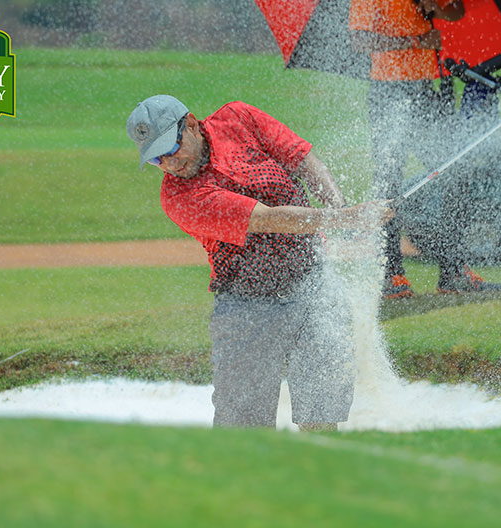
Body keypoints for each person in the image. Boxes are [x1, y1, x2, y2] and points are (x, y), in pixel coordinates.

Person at [126, 95, 393, 430]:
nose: (168, 162)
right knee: (244, 428)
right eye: (156, 159)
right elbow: (267, 219)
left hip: (314, 287)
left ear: (191, 124)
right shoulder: (179, 197)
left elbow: (302, 158)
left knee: (322, 414)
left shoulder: (238, 118)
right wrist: (345, 220)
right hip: (246, 309)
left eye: (171, 147)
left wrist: (337, 207)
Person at [349, 0, 501, 296]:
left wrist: (440, 9)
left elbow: (457, 10)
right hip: (388, 92)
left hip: (429, 90)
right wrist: (416, 42)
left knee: (454, 173)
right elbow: (360, 40)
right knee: (388, 183)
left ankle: (452, 270)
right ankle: (391, 274)